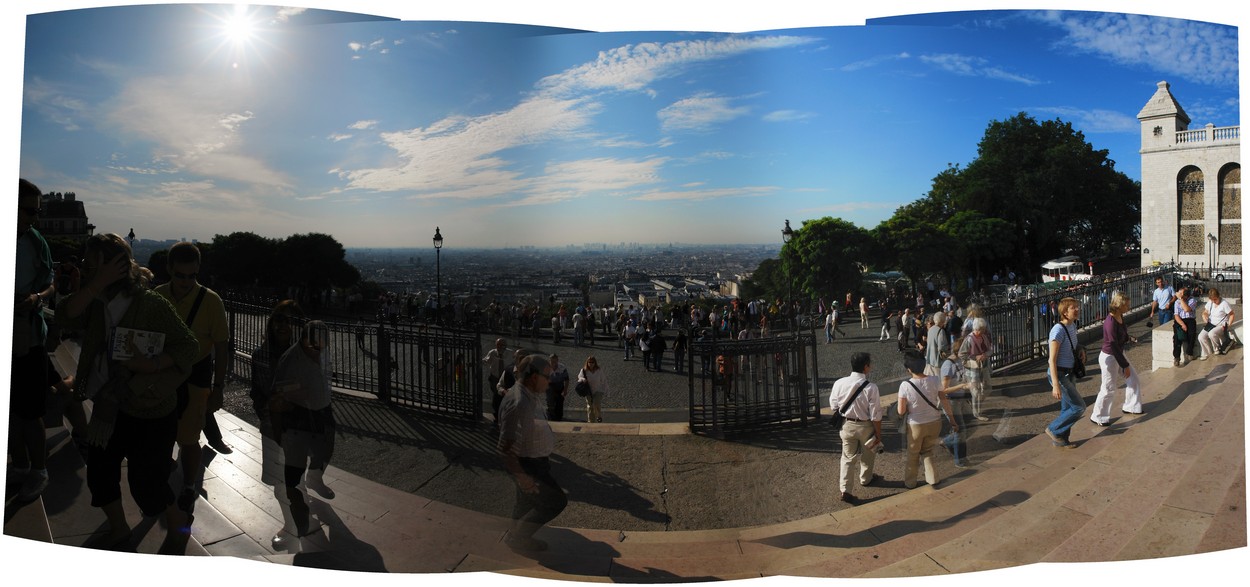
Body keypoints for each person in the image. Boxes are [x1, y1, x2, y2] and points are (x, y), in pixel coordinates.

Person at [58, 233, 199, 553]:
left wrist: (150, 365)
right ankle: (120, 530)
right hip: (108, 406)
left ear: (115, 264)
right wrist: (95, 284)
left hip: (149, 412)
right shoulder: (95, 301)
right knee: (100, 474)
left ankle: (179, 527)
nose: (87, 269)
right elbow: (66, 314)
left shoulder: (150, 303)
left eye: (93, 264)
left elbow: (188, 347)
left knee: (148, 485)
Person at [154, 242, 233, 514]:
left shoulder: (211, 301)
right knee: (161, 437)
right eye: (180, 275)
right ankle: (168, 482)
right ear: (169, 270)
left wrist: (218, 387)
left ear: (198, 270)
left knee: (188, 439)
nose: (186, 282)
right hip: (164, 377)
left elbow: (222, 346)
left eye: (191, 276)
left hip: (195, 378)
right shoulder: (158, 296)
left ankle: (189, 486)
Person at [270, 320, 338, 538]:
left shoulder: (320, 350)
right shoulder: (290, 360)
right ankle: (297, 514)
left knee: (326, 447)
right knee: (295, 460)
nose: (319, 351)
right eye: (315, 346)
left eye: (322, 346)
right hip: (298, 412)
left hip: (321, 408)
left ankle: (314, 478)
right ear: (304, 339)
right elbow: (279, 391)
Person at [248, 300, 304, 549]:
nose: (284, 325)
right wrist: (266, 413)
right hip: (272, 427)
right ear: (272, 323)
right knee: (279, 482)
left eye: (291, 320)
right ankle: (291, 523)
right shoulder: (260, 355)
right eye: (280, 319)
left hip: (298, 429)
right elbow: (256, 392)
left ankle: (294, 526)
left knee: (293, 481)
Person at [498, 355, 568, 552]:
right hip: (529, 465)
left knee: (524, 502)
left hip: (533, 461)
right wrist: (522, 476)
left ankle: (513, 535)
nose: (551, 380)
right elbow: (505, 447)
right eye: (547, 376)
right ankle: (519, 538)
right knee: (555, 502)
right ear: (533, 376)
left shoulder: (528, 395)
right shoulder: (520, 403)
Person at [897, 349, 957, 489]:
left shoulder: (905, 386)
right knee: (927, 450)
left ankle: (910, 482)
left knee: (913, 454)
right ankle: (933, 479)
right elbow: (944, 402)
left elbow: (901, 411)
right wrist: (952, 421)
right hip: (935, 422)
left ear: (908, 369)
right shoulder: (935, 380)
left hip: (915, 425)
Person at [829, 352, 883, 504]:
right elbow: (876, 415)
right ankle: (866, 478)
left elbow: (834, 405)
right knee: (868, 453)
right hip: (866, 426)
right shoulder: (872, 388)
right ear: (865, 367)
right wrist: (878, 434)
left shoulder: (839, 383)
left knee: (847, 457)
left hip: (847, 425)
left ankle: (845, 490)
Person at [1090, 291, 1143, 426]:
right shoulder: (1110, 322)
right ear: (1119, 305)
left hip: (1118, 354)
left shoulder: (1120, 316)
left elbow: (1122, 334)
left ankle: (1131, 406)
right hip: (1109, 357)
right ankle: (1098, 416)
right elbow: (1113, 344)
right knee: (1108, 388)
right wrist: (1124, 365)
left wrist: (1129, 338)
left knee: (1134, 379)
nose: (1129, 307)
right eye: (1127, 305)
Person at [1045, 297, 1084, 449]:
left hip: (1070, 372)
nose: (1077, 309)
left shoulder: (1072, 326)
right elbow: (1052, 360)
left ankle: (1061, 440)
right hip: (1060, 374)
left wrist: (1081, 350)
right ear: (1065, 313)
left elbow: (1073, 344)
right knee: (1079, 407)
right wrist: (1055, 385)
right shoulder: (1058, 330)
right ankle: (1053, 429)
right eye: (1073, 307)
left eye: (1077, 306)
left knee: (1067, 409)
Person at [958, 317, 992, 421]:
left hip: (984, 366)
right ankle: (976, 413)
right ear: (976, 329)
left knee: (987, 388)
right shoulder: (968, 339)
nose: (983, 331)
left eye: (983, 329)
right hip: (972, 369)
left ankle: (973, 403)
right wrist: (974, 358)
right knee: (975, 391)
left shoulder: (984, 337)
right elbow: (961, 354)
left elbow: (990, 350)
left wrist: (985, 355)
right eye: (981, 330)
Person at [1197, 287, 1236, 360]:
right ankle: (1207, 353)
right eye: (1212, 300)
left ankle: (1217, 349)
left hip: (1221, 324)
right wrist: (1204, 315)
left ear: (1218, 296)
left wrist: (1229, 324)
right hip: (1211, 323)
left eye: (1215, 299)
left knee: (1211, 333)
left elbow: (1232, 314)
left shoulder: (1224, 303)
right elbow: (1205, 312)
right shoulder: (1210, 302)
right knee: (1201, 337)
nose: (1214, 301)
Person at [482, 338, 508, 426]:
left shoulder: (510, 353)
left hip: (505, 379)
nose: (500, 347)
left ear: (505, 346)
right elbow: (486, 361)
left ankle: (502, 413)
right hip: (495, 378)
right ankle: (497, 414)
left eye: (502, 345)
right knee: (497, 396)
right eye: (498, 345)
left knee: (503, 397)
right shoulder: (492, 352)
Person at [1172, 284, 1198, 366]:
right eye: (1179, 293)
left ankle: (1189, 352)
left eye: (1181, 294)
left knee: (1191, 334)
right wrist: (1182, 324)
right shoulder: (1177, 302)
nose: (1179, 295)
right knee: (1176, 338)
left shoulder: (1192, 300)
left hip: (1190, 319)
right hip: (1180, 320)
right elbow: (1176, 315)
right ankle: (1176, 357)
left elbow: (1187, 309)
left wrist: (1181, 299)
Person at [577, 355, 608, 423]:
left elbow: (604, 380)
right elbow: (579, 377)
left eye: (592, 362)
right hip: (588, 391)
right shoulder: (584, 370)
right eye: (589, 362)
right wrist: (583, 379)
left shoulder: (599, 370)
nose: (591, 364)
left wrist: (605, 389)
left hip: (598, 390)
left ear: (595, 363)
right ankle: (591, 421)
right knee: (590, 406)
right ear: (587, 363)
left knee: (596, 403)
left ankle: (598, 416)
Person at [545, 354, 569, 422]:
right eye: (552, 361)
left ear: (557, 361)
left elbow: (566, 379)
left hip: (559, 386)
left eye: (555, 362)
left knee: (560, 403)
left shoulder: (562, 367)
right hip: (550, 386)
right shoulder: (546, 368)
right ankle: (551, 418)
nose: (553, 363)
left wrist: (565, 390)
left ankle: (559, 418)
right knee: (550, 403)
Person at [924, 311, 949, 376]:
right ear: (943, 320)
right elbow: (942, 348)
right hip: (937, 362)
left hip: (929, 360)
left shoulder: (930, 329)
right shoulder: (941, 331)